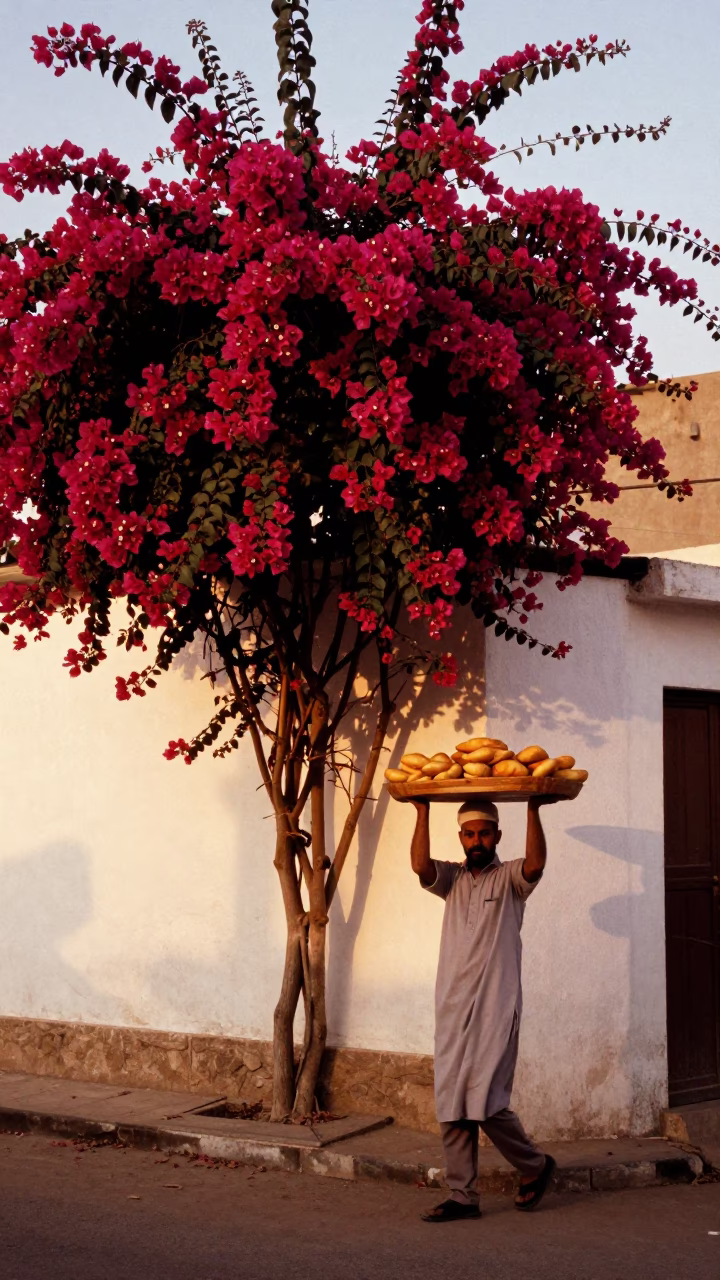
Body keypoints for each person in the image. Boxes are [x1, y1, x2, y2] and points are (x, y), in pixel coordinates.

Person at [410, 794, 560, 1222]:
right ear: (461, 837)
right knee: (451, 1100)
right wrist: (421, 810)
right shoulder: (452, 879)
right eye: (470, 834)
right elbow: (421, 866)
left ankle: (535, 1165)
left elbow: (536, 864)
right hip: (453, 1006)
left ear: (497, 835)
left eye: (485, 833)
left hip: (496, 1006)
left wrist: (534, 807)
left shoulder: (510, 877)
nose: (477, 840)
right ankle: (463, 1196)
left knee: (488, 1100)